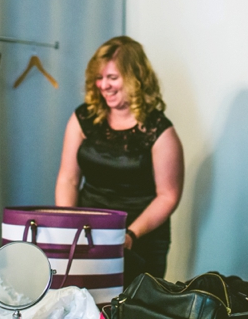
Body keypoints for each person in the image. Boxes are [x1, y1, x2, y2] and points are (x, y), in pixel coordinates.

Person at [55, 36, 184, 282]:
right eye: (99, 78)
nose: (104, 85)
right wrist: (68, 223)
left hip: (141, 239)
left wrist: (131, 235)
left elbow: (168, 196)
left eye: (112, 78)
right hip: (87, 235)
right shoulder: (83, 118)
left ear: (135, 78)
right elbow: (68, 179)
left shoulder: (160, 131)